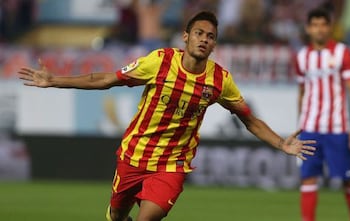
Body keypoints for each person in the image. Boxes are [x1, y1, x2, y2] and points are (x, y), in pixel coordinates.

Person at [18, 11, 316, 221]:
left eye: (210, 37)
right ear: (186, 36)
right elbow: (106, 79)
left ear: (214, 44)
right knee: (117, 214)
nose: (204, 40)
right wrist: (54, 80)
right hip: (134, 155)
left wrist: (281, 144)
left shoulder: (219, 81)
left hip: (172, 164)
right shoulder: (159, 62)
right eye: (199, 33)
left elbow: (249, 119)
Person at [295, 8, 350, 221]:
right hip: (309, 129)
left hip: (337, 128)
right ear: (308, 28)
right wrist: (299, 127)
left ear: (330, 27)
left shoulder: (343, 53)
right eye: (314, 25)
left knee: (347, 180)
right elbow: (302, 92)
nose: (319, 29)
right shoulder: (302, 57)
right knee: (307, 180)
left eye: (323, 24)